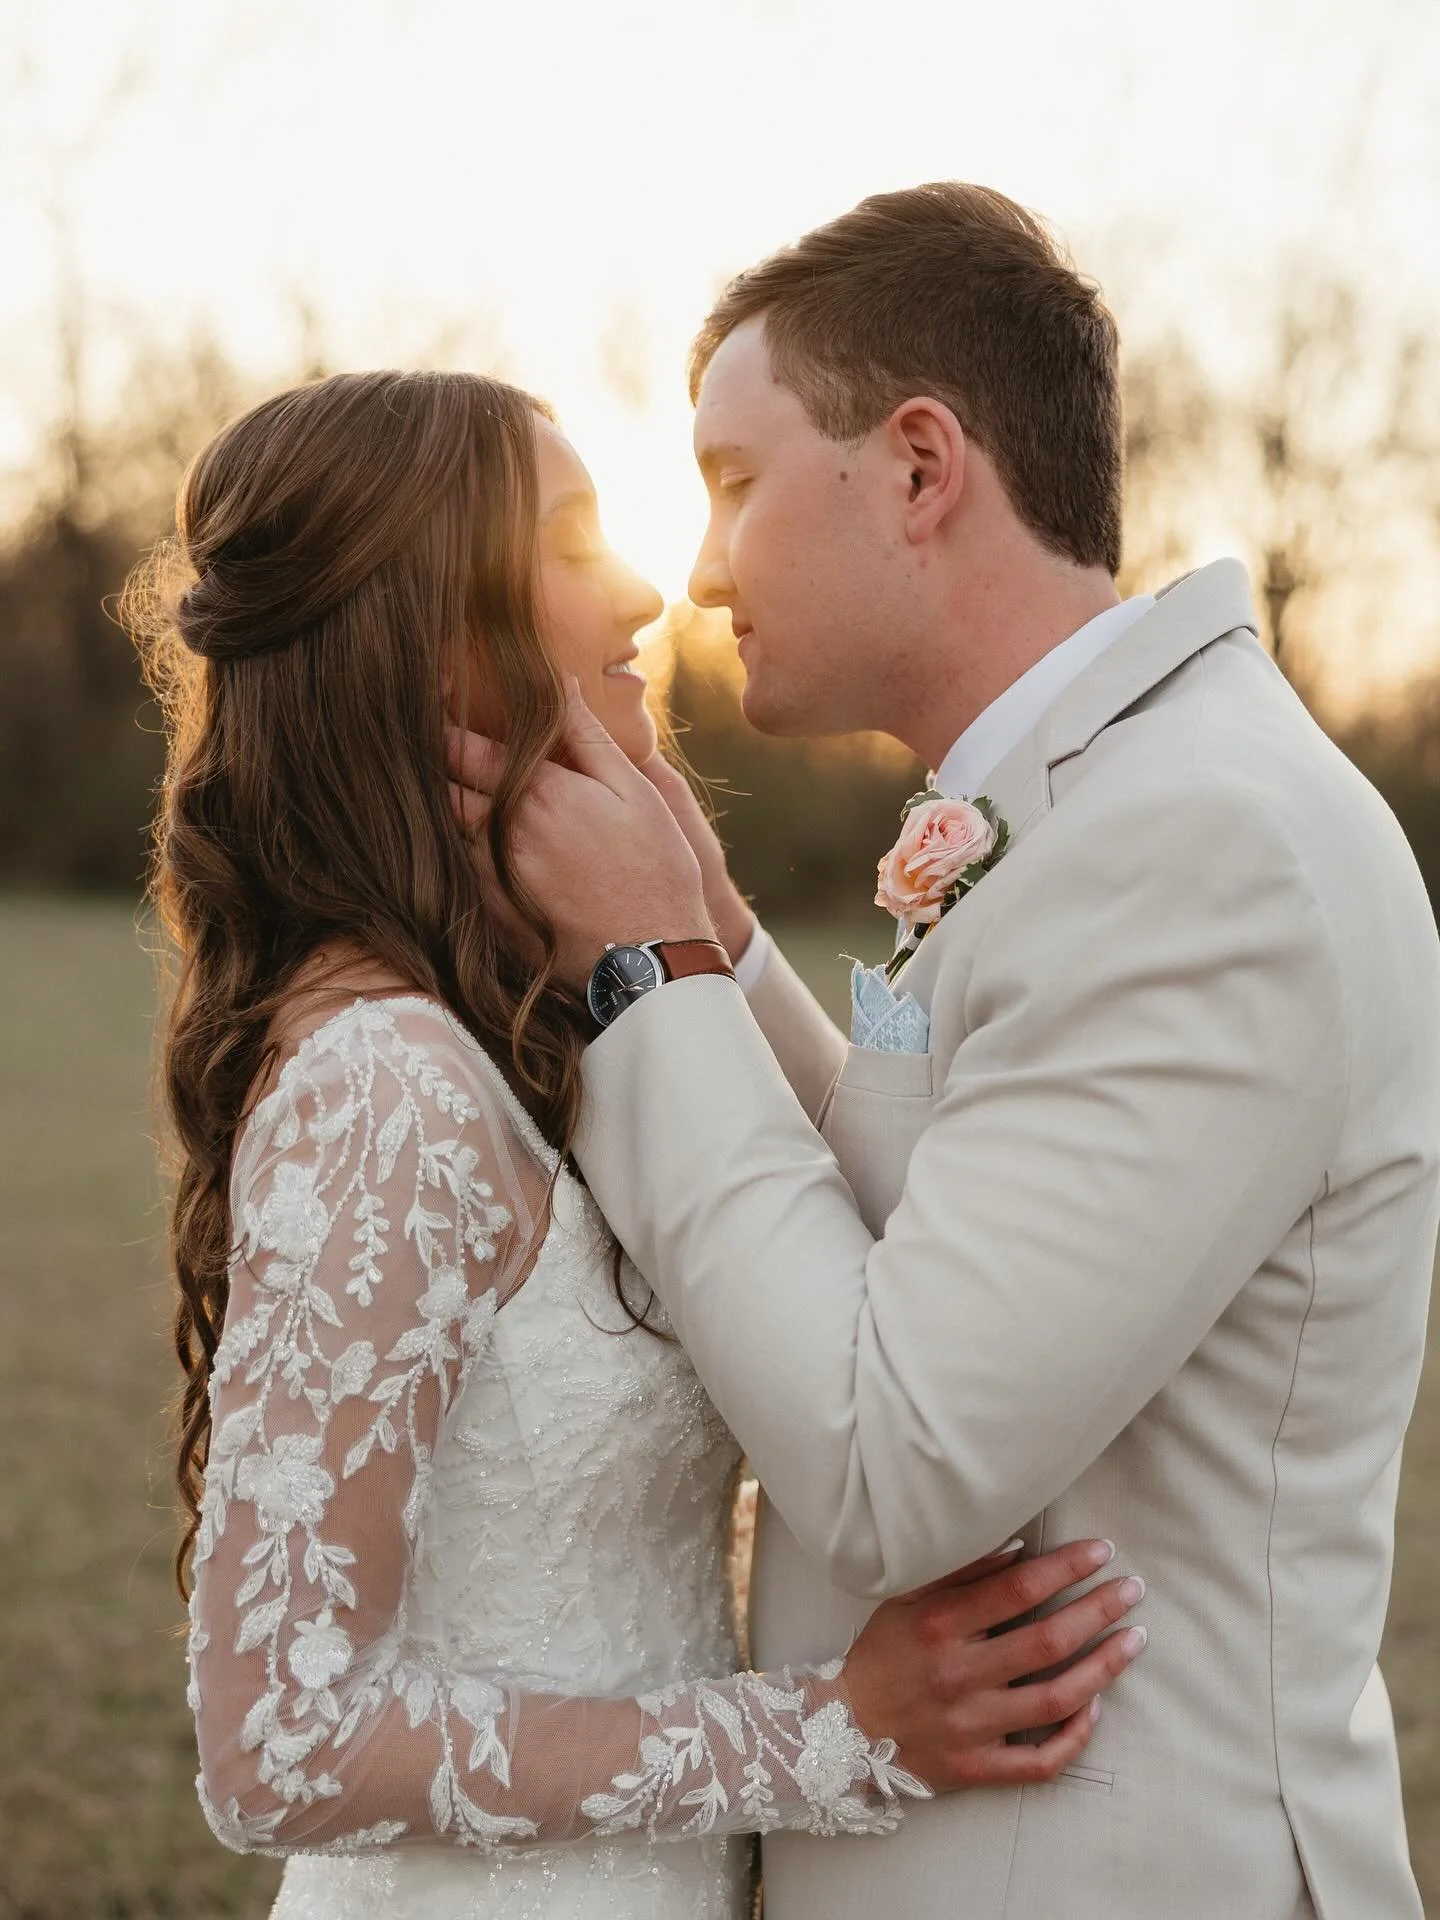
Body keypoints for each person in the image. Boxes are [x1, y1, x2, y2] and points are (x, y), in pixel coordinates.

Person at [447, 184, 1440, 1919]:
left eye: (735, 481)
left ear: (918, 467)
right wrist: (718, 931)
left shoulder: (1209, 846)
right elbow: (942, 1202)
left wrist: (643, 970)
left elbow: (893, 1454)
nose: (695, 569)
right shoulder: (1093, 806)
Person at [130, 368, 1145, 1920]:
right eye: (573, 537)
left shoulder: (528, 1010)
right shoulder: (385, 1083)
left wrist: (704, 917)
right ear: (431, 633)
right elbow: (274, 1740)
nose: (647, 585)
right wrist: (827, 1736)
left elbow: (864, 1205)